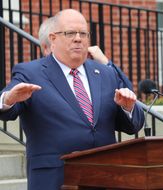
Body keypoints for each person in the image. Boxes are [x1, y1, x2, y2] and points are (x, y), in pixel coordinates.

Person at [0, 9, 144, 190]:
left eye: (83, 33)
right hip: (55, 177)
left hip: (104, 177)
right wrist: (9, 98)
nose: (78, 38)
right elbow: (6, 109)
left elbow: (133, 125)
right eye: (70, 33)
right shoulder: (31, 73)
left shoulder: (105, 73)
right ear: (52, 39)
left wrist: (128, 108)